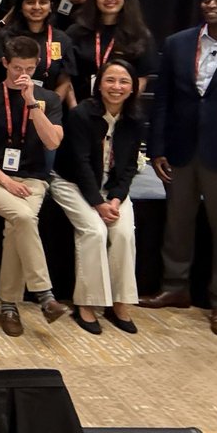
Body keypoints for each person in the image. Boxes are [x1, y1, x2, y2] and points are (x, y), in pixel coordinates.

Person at [140, 0, 217, 336]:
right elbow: (162, 102)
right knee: (177, 224)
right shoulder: (178, 43)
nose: (211, 4)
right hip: (179, 149)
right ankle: (175, 287)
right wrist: (157, 148)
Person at [0, 36, 67, 337]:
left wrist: (31, 103)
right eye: (15, 68)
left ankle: (9, 305)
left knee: (17, 224)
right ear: (4, 64)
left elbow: (53, 141)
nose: (21, 74)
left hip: (34, 179)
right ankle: (45, 295)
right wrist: (6, 181)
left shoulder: (48, 99)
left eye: (28, 68)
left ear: (37, 65)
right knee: (24, 218)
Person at [51, 59, 142, 335]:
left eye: (124, 81)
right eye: (110, 80)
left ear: (133, 88)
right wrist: (98, 203)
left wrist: (115, 199)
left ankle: (118, 302)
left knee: (125, 233)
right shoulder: (80, 115)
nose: (116, 87)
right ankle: (87, 304)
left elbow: (128, 167)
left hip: (110, 189)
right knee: (94, 231)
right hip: (73, 183)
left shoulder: (135, 119)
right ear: (99, 84)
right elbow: (79, 164)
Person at [66, 0, 157, 102]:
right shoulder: (76, 32)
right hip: (81, 109)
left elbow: (141, 78)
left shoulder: (140, 34)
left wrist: (123, 109)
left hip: (121, 111)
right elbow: (66, 78)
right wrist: (75, 111)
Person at [2, 0, 76, 102]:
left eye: (43, 2)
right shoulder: (5, 37)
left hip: (47, 107)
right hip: (9, 104)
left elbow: (65, 81)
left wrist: (51, 107)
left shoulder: (62, 39)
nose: (37, 7)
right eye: (30, 2)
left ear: (51, 6)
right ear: (21, 6)